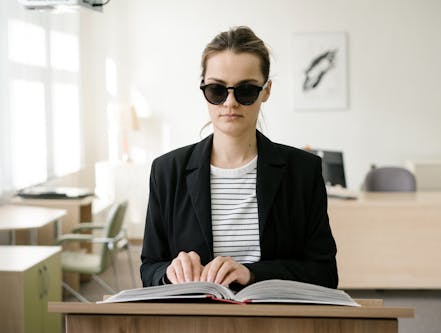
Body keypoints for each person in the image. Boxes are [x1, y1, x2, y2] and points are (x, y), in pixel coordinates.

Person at [140, 26, 338, 289]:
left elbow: (324, 272)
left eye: (245, 91)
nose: (230, 102)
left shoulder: (303, 171)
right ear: (203, 89)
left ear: (266, 91)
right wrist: (170, 273)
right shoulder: (167, 171)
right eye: (217, 90)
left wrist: (252, 274)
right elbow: (150, 267)